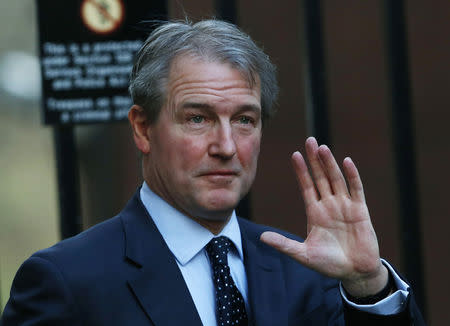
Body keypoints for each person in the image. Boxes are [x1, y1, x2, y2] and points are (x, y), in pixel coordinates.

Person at [1, 19, 424, 325]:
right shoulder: (67, 282)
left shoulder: (312, 272)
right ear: (143, 128)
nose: (225, 147)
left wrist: (369, 285)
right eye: (198, 118)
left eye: (244, 120)